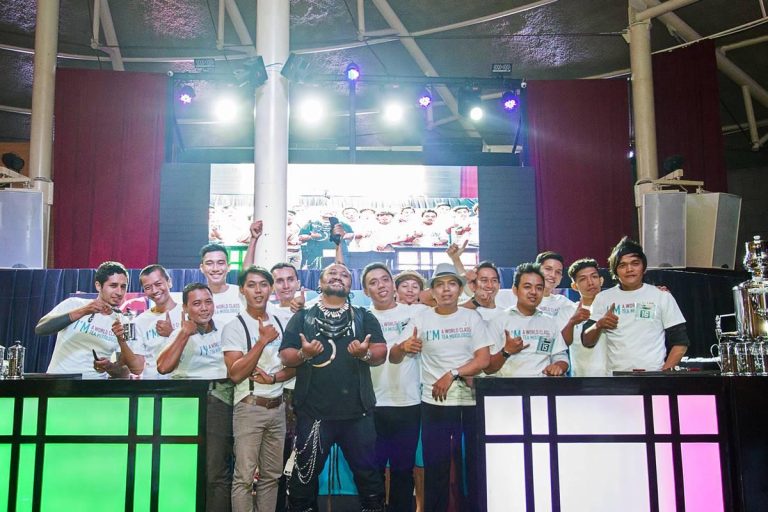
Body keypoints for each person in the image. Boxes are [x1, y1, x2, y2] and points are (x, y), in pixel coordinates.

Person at [279, 263, 387, 512]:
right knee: (303, 480)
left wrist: (365, 354)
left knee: (370, 479)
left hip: (358, 414)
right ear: (320, 282)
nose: (338, 277)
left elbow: (381, 353)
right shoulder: (302, 317)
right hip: (313, 415)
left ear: (351, 284)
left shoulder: (364, 316)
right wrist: (304, 354)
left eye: (344, 275)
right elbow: (286, 356)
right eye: (332, 273)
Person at [391, 263, 491, 512]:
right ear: (432, 291)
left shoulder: (471, 317)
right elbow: (393, 356)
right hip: (433, 404)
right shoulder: (421, 317)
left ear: (460, 289)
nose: (446, 289)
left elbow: (483, 360)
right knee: (436, 469)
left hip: (468, 403)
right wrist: (404, 347)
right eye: (440, 285)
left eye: (452, 284)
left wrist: (453, 373)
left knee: (471, 466)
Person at [222, 266, 296, 512]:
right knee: (244, 477)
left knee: (272, 476)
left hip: (278, 407)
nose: (258, 290)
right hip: (249, 407)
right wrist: (262, 341)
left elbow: (295, 366)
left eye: (263, 284)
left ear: (271, 288)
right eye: (251, 285)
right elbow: (235, 374)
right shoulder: (234, 326)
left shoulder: (281, 321)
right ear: (242, 290)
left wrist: (274, 378)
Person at [155, 282, 230, 512]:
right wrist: (184, 333)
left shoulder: (226, 329)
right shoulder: (179, 333)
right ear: (186, 308)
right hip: (185, 404)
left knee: (216, 470)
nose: (204, 308)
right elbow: (163, 367)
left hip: (219, 400)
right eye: (197, 303)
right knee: (183, 467)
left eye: (208, 302)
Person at [362, 263, 425, 512]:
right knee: (372, 471)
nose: (381, 286)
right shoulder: (361, 317)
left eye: (385, 279)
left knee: (402, 471)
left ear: (393, 284)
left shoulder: (417, 312)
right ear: (365, 291)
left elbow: (453, 304)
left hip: (407, 403)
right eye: (373, 282)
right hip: (370, 405)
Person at [582, 237, 689, 372]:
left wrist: (663, 375)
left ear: (643, 267)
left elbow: (680, 342)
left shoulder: (661, 296)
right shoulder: (603, 298)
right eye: (622, 265)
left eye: (635, 263)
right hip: (616, 379)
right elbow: (587, 341)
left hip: (653, 377)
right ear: (615, 271)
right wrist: (599, 325)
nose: (629, 269)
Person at [35, 261, 133, 379]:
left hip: (95, 386)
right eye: (113, 285)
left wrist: (109, 367)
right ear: (98, 285)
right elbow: (40, 328)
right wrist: (83, 311)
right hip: (59, 383)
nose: (119, 292)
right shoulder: (74, 304)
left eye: (123, 287)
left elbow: (125, 373)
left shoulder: (124, 323)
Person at [484, 263, 569, 377]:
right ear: (515, 290)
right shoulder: (498, 321)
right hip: (508, 387)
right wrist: (506, 351)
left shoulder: (549, 322)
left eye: (539, 288)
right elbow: (488, 369)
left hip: (543, 386)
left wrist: (558, 366)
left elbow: (560, 356)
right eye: (527, 287)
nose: (533, 292)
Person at [112, 264, 181, 378]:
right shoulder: (138, 322)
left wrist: (172, 334)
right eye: (148, 287)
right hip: (152, 384)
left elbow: (198, 353)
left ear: (169, 282)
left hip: (182, 382)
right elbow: (137, 369)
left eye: (158, 284)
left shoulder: (187, 313)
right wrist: (122, 341)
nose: (154, 290)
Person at [562, 258, 607, 376]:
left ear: (601, 280)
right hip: (581, 379)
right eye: (583, 279)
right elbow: (561, 345)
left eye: (594, 277)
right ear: (574, 286)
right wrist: (572, 322)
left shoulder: (613, 308)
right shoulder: (568, 311)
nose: (590, 282)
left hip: (613, 377)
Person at [535, 251, 577, 328]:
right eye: (548, 269)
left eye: (558, 272)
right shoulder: (518, 298)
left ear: (561, 278)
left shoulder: (563, 302)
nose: (553, 275)